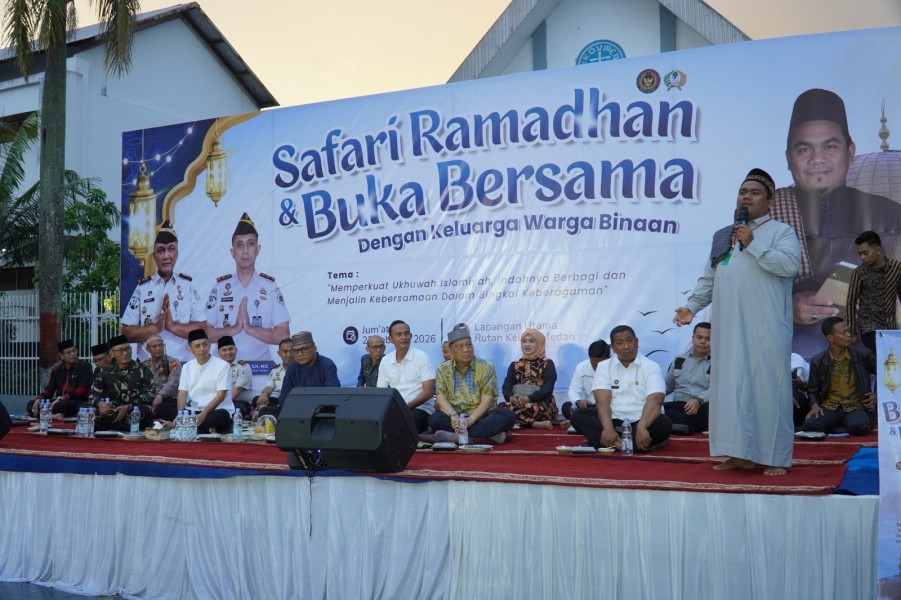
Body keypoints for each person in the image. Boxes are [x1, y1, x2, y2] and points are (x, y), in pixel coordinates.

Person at [675, 168, 801, 475]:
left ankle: (775, 457)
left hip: (765, 328)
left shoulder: (781, 232)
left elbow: (789, 265)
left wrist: (754, 243)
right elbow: (709, 277)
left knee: (768, 389)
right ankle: (738, 453)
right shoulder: (724, 236)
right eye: (743, 191)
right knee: (730, 389)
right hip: (729, 328)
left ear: (770, 201)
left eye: (755, 192)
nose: (746, 196)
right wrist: (692, 307)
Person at [770, 88, 900, 356]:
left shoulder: (890, 214)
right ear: (788, 158)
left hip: (873, 355)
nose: (817, 159)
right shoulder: (769, 217)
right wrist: (787, 305)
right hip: (789, 360)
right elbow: (746, 293)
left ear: (850, 152)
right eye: (804, 148)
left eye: (830, 146)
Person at [570, 325, 671, 452]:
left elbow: (656, 400)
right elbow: (602, 402)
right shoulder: (603, 367)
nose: (626, 346)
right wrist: (607, 428)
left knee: (664, 423)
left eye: (629, 340)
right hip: (613, 420)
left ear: (637, 342)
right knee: (578, 415)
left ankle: (610, 444)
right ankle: (634, 446)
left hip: (640, 421)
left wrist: (642, 427)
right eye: (620, 343)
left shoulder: (651, 366)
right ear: (612, 347)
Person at [206, 213, 291, 362]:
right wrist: (234, 329)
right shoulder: (220, 287)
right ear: (232, 252)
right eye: (239, 245)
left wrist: (250, 329)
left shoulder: (269, 286)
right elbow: (206, 334)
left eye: (250, 244)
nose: (245, 250)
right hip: (223, 368)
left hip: (260, 368)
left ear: (258, 249)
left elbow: (283, 335)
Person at [121, 221, 207, 362]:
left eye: (171, 249)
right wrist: (156, 327)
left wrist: (172, 326)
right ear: (154, 256)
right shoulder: (143, 288)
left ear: (177, 253)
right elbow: (127, 333)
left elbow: (202, 329)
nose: (166, 256)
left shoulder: (187, 286)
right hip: (148, 368)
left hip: (182, 367)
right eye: (161, 250)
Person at [429, 328, 515, 443]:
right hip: (456, 417)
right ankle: (486, 437)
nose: (466, 350)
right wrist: (454, 416)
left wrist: (470, 420)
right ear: (451, 351)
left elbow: (488, 400)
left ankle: (457, 437)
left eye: (469, 345)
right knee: (435, 419)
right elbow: (441, 398)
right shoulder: (442, 369)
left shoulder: (486, 367)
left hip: (482, 416)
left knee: (508, 416)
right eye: (460, 347)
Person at [802, 317, 876, 436]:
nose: (848, 335)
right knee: (811, 425)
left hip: (856, 406)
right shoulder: (818, 360)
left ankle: (840, 426)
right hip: (830, 407)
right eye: (843, 332)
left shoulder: (863, 355)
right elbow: (812, 391)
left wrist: (876, 396)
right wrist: (815, 405)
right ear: (830, 338)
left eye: (848, 331)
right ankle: (840, 426)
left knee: (859, 427)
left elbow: (887, 374)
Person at [846, 230, 901, 356]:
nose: (862, 257)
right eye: (859, 254)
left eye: (865, 253)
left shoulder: (896, 268)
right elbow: (851, 302)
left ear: (878, 250)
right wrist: (852, 332)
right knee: (884, 356)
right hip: (869, 328)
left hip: (891, 328)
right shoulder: (859, 272)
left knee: (891, 365)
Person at [376, 320, 436, 433]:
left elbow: (428, 393)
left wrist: (404, 408)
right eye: (399, 334)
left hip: (420, 409)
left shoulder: (421, 357)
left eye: (406, 333)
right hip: (396, 410)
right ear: (390, 339)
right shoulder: (385, 361)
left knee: (403, 422)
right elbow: (382, 393)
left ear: (411, 336)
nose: (404, 337)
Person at [88, 334, 156, 432]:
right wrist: (100, 403)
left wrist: (128, 407)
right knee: (90, 411)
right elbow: (92, 395)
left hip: (135, 409)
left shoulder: (143, 370)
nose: (125, 353)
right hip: (115, 410)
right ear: (112, 354)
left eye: (128, 349)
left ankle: (116, 426)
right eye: (120, 350)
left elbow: (150, 394)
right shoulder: (105, 372)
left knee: (145, 410)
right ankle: (116, 426)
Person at [177, 328, 234, 434]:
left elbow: (221, 395)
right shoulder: (187, 367)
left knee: (221, 416)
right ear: (190, 350)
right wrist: (179, 415)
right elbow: (182, 393)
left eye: (205, 344)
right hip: (193, 410)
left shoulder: (222, 366)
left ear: (210, 345)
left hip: (215, 410)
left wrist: (203, 414)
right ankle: (198, 426)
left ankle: (188, 425)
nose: (202, 348)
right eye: (197, 346)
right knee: (164, 407)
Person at [501, 329, 558, 430]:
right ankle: (534, 423)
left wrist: (528, 399)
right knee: (501, 407)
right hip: (518, 403)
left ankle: (517, 421)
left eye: (531, 341)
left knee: (531, 408)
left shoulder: (547, 364)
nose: (527, 344)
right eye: (524, 341)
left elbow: (547, 390)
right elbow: (506, 387)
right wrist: (511, 398)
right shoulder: (515, 365)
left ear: (539, 343)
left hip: (541, 403)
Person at [273, 331, 340, 412]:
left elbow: (332, 396)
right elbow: (284, 398)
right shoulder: (292, 368)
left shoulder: (327, 365)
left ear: (314, 348)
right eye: (296, 351)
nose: (300, 354)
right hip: (297, 413)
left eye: (304, 349)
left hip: (322, 413)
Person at [663, 322, 711, 435]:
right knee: (656, 409)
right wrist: (652, 397)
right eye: (699, 337)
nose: (703, 342)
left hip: (702, 407)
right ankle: (683, 425)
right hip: (679, 406)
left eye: (708, 338)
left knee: (711, 412)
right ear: (693, 338)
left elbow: (717, 390)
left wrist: (698, 401)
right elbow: (666, 385)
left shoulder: (719, 363)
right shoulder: (679, 359)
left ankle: (671, 425)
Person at [30, 340, 92, 419]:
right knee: (31, 404)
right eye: (69, 352)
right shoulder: (57, 370)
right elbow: (49, 391)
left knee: (63, 404)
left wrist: (63, 397)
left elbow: (82, 390)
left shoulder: (85, 367)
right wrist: (39, 399)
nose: (73, 354)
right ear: (61, 356)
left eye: (74, 351)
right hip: (58, 402)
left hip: (76, 402)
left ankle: (46, 415)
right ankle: (54, 416)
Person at [562, 340, 611, 429]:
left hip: (609, 407)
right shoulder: (581, 367)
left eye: (601, 364)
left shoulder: (615, 368)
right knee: (566, 407)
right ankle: (584, 421)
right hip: (589, 407)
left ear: (609, 358)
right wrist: (579, 401)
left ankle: (578, 423)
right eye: (594, 364)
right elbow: (573, 390)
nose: (597, 367)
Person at [142, 334, 181, 422]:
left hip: (169, 399)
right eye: (154, 346)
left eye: (160, 345)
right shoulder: (144, 365)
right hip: (150, 399)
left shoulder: (173, 362)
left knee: (162, 408)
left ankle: (180, 423)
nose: (158, 348)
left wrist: (160, 395)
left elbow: (173, 382)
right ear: (148, 349)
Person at [254, 338, 294, 413]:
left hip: (293, 400)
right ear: (279, 353)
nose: (288, 355)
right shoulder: (275, 370)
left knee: (265, 410)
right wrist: (264, 394)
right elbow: (269, 386)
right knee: (257, 400)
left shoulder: (301, 369)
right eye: (285, 351)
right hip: (279, 400)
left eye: (291, 351)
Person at [217, 335, 252, 417]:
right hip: (220, 402)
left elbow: (237, 390)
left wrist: (216, 405)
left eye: (230, 349)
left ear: (236, 350)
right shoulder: (216, 367)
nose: (228, 352)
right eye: (224, 350)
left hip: (239, 402)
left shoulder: (243, 366)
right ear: (218, 353)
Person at [790, 353, 811, 429]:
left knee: (790, 398)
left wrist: (802, 384)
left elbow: (795, 382)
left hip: (801, 395)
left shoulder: (796, 359)